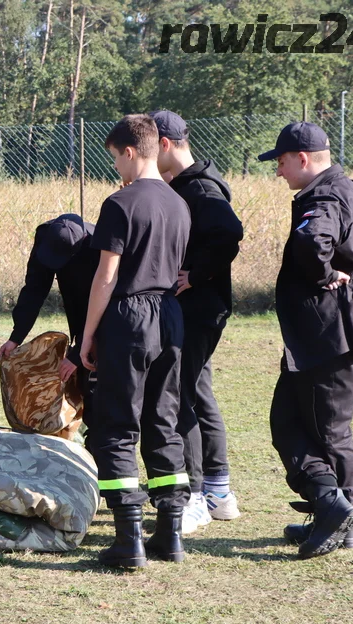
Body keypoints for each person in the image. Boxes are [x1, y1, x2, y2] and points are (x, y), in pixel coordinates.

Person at [258, 122, 353, 559]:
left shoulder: (324, 195)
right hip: (334, 322)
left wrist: (330, 274)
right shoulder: (352, 189)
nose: (278, 172)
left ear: (303, 158)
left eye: (280, 162)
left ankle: (337, 511)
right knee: (292, 419)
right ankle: (330, 506)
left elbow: (313, 240)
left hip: (328, 326)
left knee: (328, 425)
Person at [80, 114, 192, 568]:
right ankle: (171, 535)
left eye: (115, 159)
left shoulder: (120, 203)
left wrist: (87, 336)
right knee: (164, 420)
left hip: (129, 316)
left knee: (116, 424)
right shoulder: (179, 203)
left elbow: (106, 276)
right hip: (170, 314)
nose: (116, 170)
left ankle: (128, 540)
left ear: (130, 152)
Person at [152, 110, 244, 534]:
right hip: (201, 309)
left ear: (166, 145)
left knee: (181, 396)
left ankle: (193, 498)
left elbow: (230, 232)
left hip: (199, 309)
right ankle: (220, 492)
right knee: (199, 391)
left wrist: (198, 273)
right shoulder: (186, 185)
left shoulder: (200, 188)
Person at [0, 213, 100, 442]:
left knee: (95, 393)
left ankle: (95, 449)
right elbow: (34, 288)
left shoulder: (96, 246)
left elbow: (103, 308)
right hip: (79, 315)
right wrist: (16, 336)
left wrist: (77, 352)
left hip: (100, 321)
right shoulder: (46, 236)